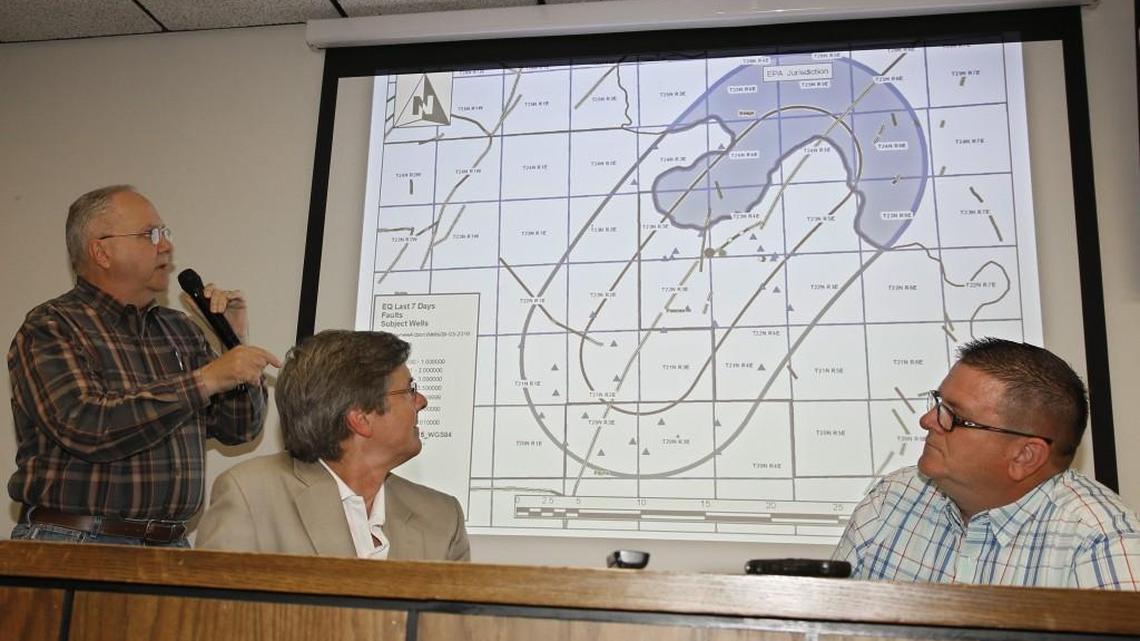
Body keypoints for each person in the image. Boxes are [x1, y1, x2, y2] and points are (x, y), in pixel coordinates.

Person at [8, 185, 280, 546]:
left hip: (169, 546)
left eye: (165, 234)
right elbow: (87, 427)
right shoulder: (52, 325)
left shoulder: (179, 329)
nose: (166, 245)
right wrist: (204, 380)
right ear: (100, 251)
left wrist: (232, 340)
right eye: (151, 235)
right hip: (77, 542)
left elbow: (239, 428)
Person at [834, 337, 1140, 589]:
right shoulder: (894, 498)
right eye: (938, 404)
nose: (927, 420)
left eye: (955, 416)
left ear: (1024, 456)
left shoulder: (1101, 544)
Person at [196, 330, 470, 561]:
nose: (421, 400)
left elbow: (457, 625)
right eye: (409, 390)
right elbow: (215, 619)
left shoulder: (442, 517)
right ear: (360, 418)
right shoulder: (250, 495)